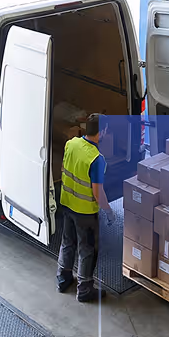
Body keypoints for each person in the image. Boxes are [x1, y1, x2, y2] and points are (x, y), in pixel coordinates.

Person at [57, 113, 116, 302]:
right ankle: (84, 289)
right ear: (102, 132)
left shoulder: (71, 144)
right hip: (85, 212)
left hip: (67, 204)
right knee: (87, 249)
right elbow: (98, 193)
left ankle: (63, 278)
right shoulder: (96, 159)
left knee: (67, 241)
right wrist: (108, 211)